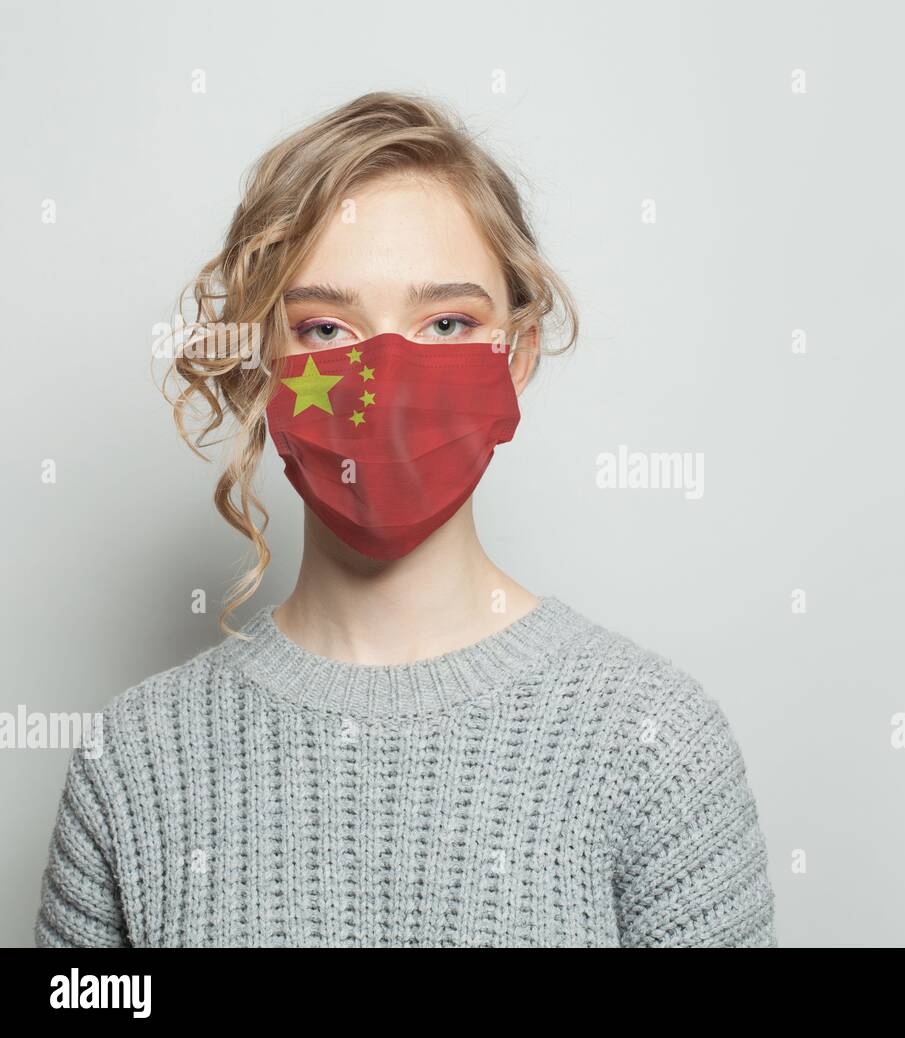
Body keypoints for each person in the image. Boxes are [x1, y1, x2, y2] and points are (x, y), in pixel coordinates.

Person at [33, 92, 777, 947]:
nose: (383, 376)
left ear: (518, 355)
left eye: (447, 322)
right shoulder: (133, 761)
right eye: (324, 327)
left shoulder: (655, 743)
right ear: (258, 367)